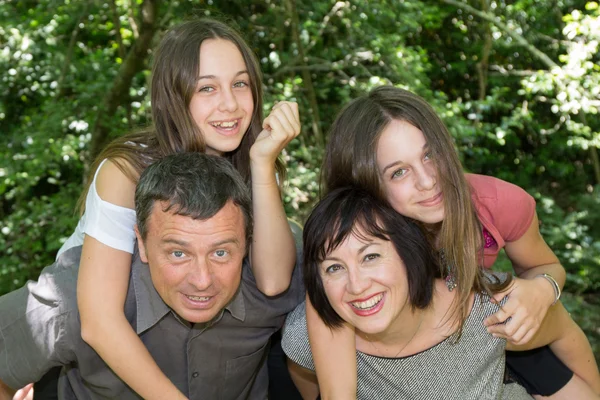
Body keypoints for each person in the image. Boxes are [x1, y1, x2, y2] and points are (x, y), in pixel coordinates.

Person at [54, 19, 300, 399]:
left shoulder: (253, 166)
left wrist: (264, 163)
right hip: (96, 356)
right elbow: (98, 322)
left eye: (240, 83)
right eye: (207, 88)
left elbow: (272, 281)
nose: (231, 104)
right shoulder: (126, 172)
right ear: (174, 96)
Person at [305, 86, 600, 399]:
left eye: (431, 155)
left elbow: (546, 266)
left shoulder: (497, 203)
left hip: (485, 333)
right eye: (399, 172)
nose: (428, 180)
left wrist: (542, 289)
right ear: (365, 186)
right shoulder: (351, 248)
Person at [0, 152, 305, 400]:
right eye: (178, 253)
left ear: (248, 243)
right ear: (141, 243)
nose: (202, 280)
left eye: (221, 253)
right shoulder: (74, 297)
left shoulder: (278, 274)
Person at [282, 186, 599, 400]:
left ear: (409, 254)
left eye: (371, 257)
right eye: (334, 267)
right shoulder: (306, 337)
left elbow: (562, 329)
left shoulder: (484, 307)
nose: (356, 285)